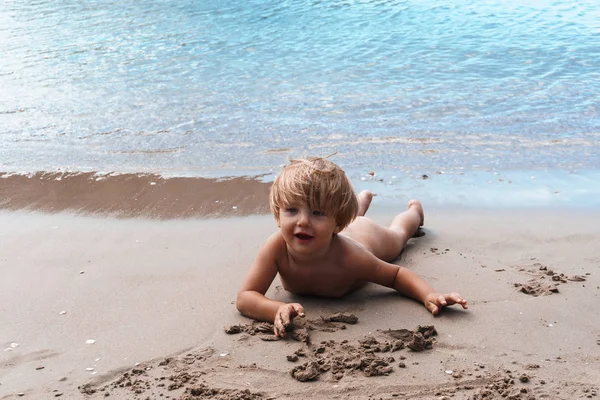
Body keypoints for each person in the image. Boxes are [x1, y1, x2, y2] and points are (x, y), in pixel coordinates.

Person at [236, 157, 468, 337]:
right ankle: (359, 202)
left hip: (366, 235)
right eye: (291, 210)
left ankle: (414, 213)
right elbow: (246, 297)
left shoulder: (351, 256)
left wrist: (429, 294)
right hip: (341, 226)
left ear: (337, 223)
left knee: (397, 238)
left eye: (317, 212)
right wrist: (275, 309)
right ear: (278, 215)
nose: (303, 221)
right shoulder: (277, 247)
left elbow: (396, 275)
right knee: (342, 217)